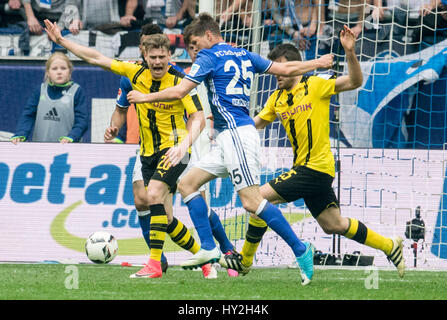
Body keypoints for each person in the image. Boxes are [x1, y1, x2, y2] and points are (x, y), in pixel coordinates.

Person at [126, 13, 334, 285]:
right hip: (228, 137)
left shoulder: (209, 56)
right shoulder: (245, 54)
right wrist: (316, 62)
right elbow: (284, 70)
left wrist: (145, 97)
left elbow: (180, 92)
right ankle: (209, 248)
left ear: (209, 35)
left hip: (237, 134)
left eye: (196, 42)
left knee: (251, 201)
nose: (195, 49)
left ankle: (300, 248)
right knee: (188, 184)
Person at [43, 19, 207, 279]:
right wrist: (62, 41)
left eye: (162, 57)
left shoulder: (180, 80)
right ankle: (205, 257)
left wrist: (184, 144)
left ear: (169, 56)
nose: (157, 62)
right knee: (161, 214)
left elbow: (198, 117)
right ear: (144, 55)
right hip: (148, 153)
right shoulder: (133, 73)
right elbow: (97, 57)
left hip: (175, 150)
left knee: (153, 194)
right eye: (152, 57)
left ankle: (154, 264)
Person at [239, 33, 405, 278]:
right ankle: (390, 246)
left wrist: (350, 52)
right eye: (275, 70)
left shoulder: (316, 85)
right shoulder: (275, 99)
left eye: (282, 69)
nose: (276, 74)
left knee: (258, 199)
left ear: (295, 67)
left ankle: (244, 260)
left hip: (316, 168)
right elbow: (255, 124)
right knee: (333, 225)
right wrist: (229, 128)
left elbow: (355, 81)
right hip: (306, 170)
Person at [10, 51, 88, 144]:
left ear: (70, 71)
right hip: (40, 149)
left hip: (67, 149)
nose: (59, 72)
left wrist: (72, 137)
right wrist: (21, 133)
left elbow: (82, 121)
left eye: (63, 68)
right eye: (54, 69)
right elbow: (28, 115)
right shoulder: (40, 90)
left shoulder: (76, 91)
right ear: (48, 72)